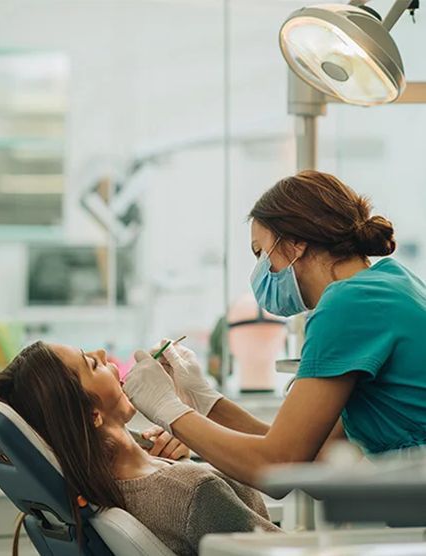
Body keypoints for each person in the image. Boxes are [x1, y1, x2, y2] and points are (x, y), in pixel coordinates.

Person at [126, 170, 426, 487]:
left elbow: (277, 465)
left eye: (260, 252)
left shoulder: (348, 304)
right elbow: (317, 458)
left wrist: (167, 409)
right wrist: (206, 402)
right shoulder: (388, 283)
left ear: (296, 243)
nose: (260, 271)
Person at [0, 341, 279, 555]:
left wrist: (181, 449)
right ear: (92, 414)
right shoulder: (192, 491)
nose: (101, 353)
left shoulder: (107, 487)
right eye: (92, 364)